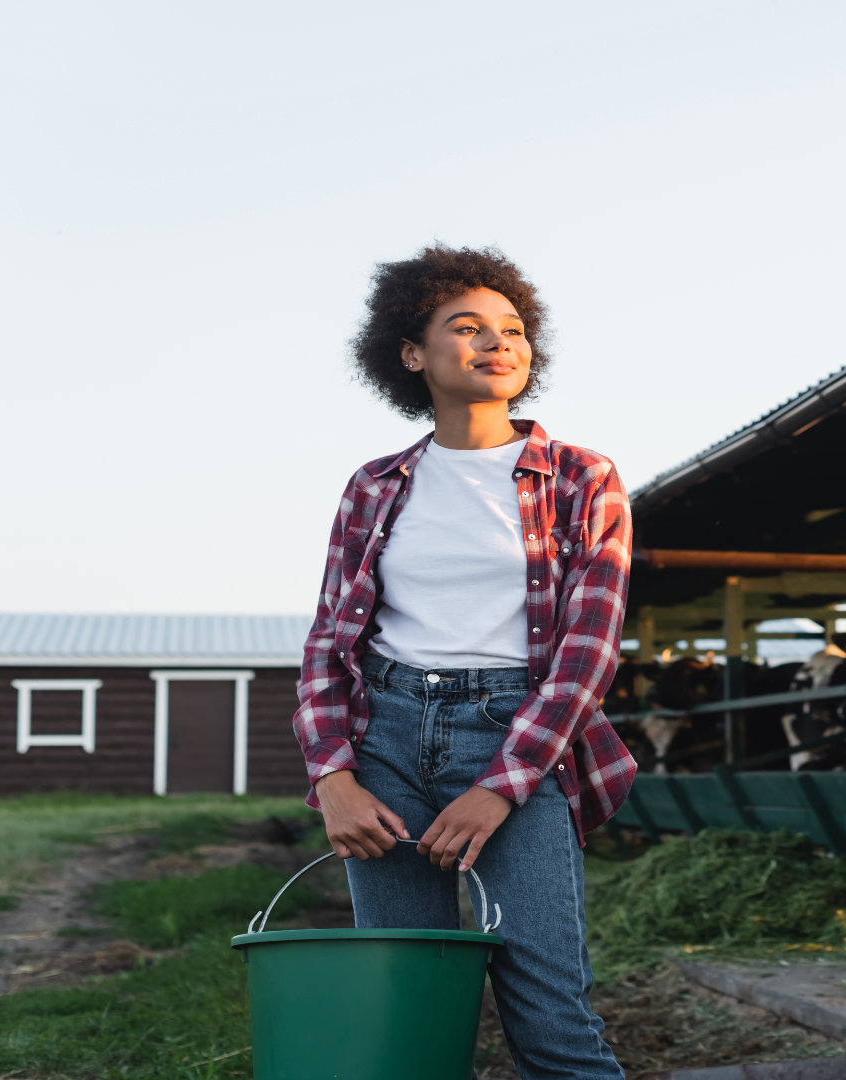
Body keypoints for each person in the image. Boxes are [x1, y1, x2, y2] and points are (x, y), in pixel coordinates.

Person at [292, 245, 635, 1079]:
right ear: (412, 354)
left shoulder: (581, 478)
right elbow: (330, 643)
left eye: (513, 329)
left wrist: (500, 787)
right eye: (468, 326)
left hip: (516, 737)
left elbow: (587, 654)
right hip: (384, 742)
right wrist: (332, 777)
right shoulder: (375, 486)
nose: (497, 342)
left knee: (550, 1016)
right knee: (404, 1018)